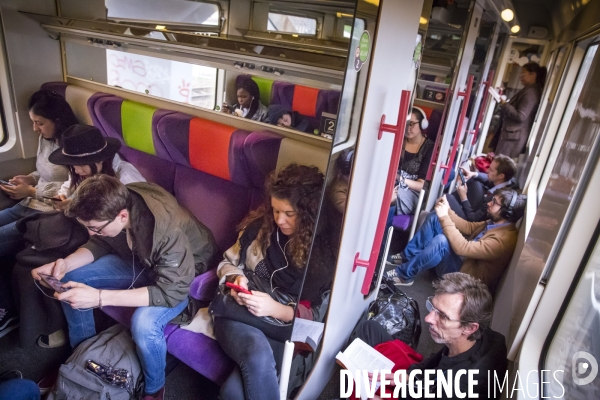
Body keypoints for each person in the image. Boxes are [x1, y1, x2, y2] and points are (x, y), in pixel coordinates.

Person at [31, 175, 218, 400]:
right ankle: (82, 359)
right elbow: (101, 241)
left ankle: (154, 390)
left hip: (186, 276)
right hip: (144, 261)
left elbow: (171, 291)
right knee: (70, 281)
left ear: (122, 216)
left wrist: (99, 297)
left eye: (95, 228)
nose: (91, 232)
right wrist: (65, 262)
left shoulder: (165, 231)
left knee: (144, 324)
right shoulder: (118, 201)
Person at [12, 124, 146, 349]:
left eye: (80, 165)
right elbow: (69, 190)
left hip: (114, 240)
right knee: (25, 265)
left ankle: (66, 331)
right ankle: (48, 326)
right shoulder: (81, 172)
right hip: (88, 231)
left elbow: (125, 225)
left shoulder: (127, 178)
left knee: (46, 266)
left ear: (100, 158)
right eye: (72, 166)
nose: (77, 170)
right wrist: (65, 200)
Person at [213, 164, 335, 399]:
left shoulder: (323, 254)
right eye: (275, 210)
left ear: (309, 214)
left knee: (233, 393)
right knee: (256, 355)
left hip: (282, 325)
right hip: (240, 315)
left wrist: (276, 309)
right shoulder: (260, 229)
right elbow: (227, 262)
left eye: (289, 214)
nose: (279, 220)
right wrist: (236, 280)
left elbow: (317, 315)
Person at [351, 272, 507, 399]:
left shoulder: (460, 388)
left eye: (443, 316)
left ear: (470, 328)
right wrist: (410, 376)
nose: (428, 318)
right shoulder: (487, 339)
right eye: (433, 307)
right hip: (425, 384)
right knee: (370, 328)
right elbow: (435, 367)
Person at [0, 90, 77, 338]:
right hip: (29, 202)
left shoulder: (74, 145)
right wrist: (29, 178)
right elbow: (43, 171)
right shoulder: (46, 138)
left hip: (46, 212)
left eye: (39, 122)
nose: (35, 128)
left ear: (57, 120)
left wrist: (31, 189)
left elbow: (70, 189)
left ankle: (5, 311)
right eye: (33, 122)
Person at [386, 188, 525, 293]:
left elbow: (462, 248)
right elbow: (469, 227)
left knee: (442, 241)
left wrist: (445, 217)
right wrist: (447, 210)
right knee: (435, 217)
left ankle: (404, 275)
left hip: (464, 281)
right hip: (462, 261)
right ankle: (407, 256)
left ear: (506, 213)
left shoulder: (503, 240)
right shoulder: (497, 223)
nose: (489, 203)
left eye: (494, 202)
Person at [494, 62, 547, 158]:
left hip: (513, 138)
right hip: (511, 136)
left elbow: (521, 116)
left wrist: (505, 104)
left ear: (533, 75)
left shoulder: (531, 93)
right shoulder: (528, 89)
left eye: (523, 74)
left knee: (501, 165)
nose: (520, 77)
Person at [447, 154, 517, 221]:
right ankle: (450, 205)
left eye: (491, 170)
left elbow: (473, 219)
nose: (487, 171)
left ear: (501, 176)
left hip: (470, 220)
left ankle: (447, 204)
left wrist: (463, 197)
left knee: (447, 198)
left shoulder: (495, 199)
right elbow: (487, 179)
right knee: (475, 180)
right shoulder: (509, 181)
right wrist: (473, 174)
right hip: (479, 203)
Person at [395, 107, 434, 215]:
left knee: (390, 194)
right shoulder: (398, 140)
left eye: (412, 124)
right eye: (406, 123)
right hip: (394, 185)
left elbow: (421, 185)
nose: (408, 128)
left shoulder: (429, 148)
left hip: (413, 192)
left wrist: (399, 178)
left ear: (422, 124)